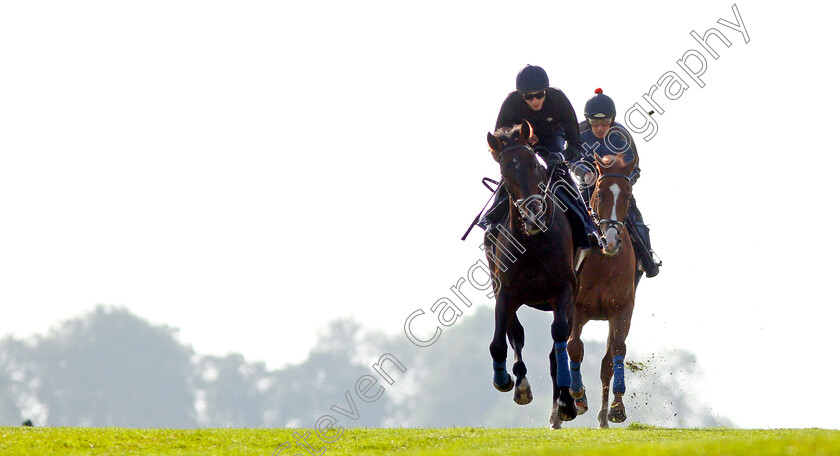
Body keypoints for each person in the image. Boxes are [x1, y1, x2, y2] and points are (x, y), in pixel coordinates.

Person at [479, 65, 601, 250]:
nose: (535, 100)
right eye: (529, 97)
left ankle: (588, 226)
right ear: (521, 96)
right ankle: (491, 221)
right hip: (520, 144)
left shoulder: (558, 99)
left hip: (552, 140)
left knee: (560, 175)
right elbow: (497, 145)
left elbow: (576, 145)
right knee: (514, 174)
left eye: (539, 95)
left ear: (546, 91)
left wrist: (562, 156)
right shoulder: (511, 103)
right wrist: (520, 142)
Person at [572, 88, 661, 278]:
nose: (599, 128)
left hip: (617, 191)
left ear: (612, 120)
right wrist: (585, 173)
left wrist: (621, 184)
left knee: (637, 221)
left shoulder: (622, 135)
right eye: (594, 123)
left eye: (604, 122)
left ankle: (647, 259)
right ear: (588, 121)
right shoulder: (579, 133)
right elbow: (570, 160)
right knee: (568, 218)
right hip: (588, 188)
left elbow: (635, 168)